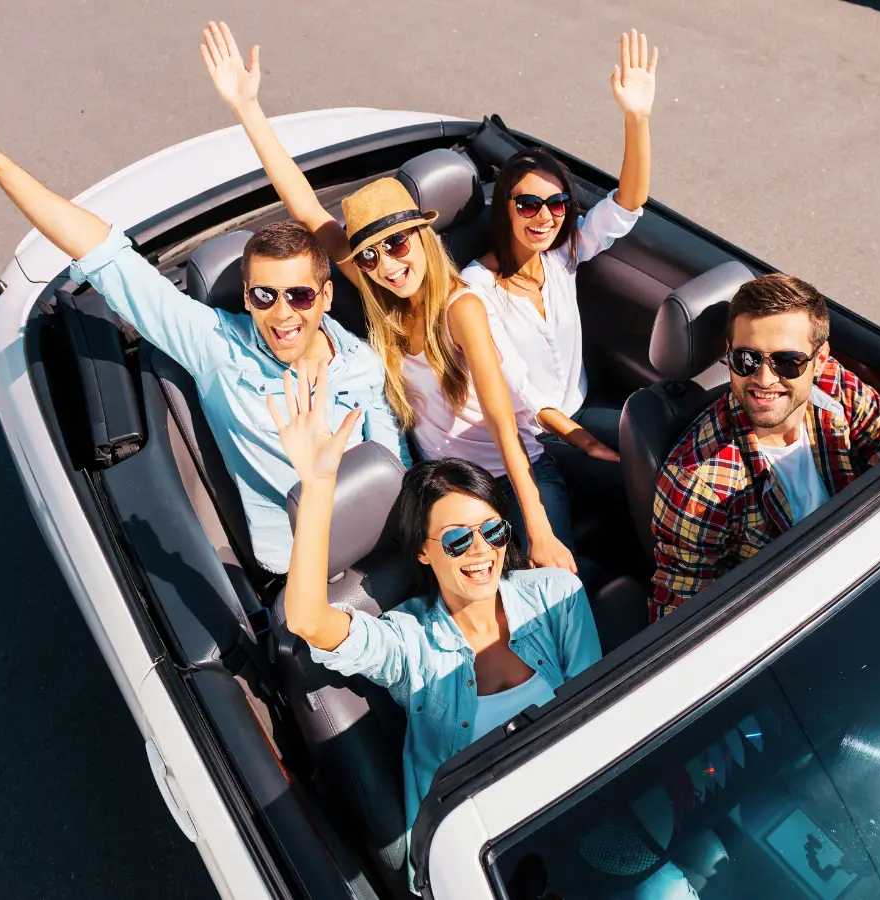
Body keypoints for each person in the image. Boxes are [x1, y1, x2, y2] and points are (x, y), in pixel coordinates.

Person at [0, 102, 406, 575]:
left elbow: (395, 470)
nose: (282, 314)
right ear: (245, 295)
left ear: (325, 296)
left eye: (299, 295)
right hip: (305, 570)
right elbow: (102, 253)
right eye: (264, 295)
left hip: (391, 544)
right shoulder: (217, 346)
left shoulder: (362, 362)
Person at [200, 21, 576, 573]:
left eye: (397, 244)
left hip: (517, 484)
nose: (387, 265)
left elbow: (501, 420)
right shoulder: (384, 303)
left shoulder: (462, 308)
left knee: (552, 597)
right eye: (370, 256)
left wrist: (538, 528)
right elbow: (307, 210)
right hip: (451, 494)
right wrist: (247, 109)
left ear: (422, 237)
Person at [268, 358, 600, 889]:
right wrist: (318, 486)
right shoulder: (409, 642)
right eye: (455, 540)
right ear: (423, 553)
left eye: (492, 531)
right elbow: (307, 619)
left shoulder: (556, 596)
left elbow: (596, 718)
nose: (481, 552)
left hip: (578, 815)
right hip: (485, 864)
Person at [650, 274, 880, 621]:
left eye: (788, 361)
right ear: (729, 354)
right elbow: (679, 616)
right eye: (746, 359)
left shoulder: (834, 385)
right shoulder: (697, 484)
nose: (764, 379)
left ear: (819, 360)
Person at [461, 30, 657, 484]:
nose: (544, 216)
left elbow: (627, 203)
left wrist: (637, 118)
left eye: (556, 204)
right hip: (539, 434)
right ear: (504, 210)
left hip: (584, 410)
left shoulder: (560, 257)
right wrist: (585, 442)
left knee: (663, 452)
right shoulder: (477, 291)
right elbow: (520, 389)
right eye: (528, 204)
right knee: (631, 478)